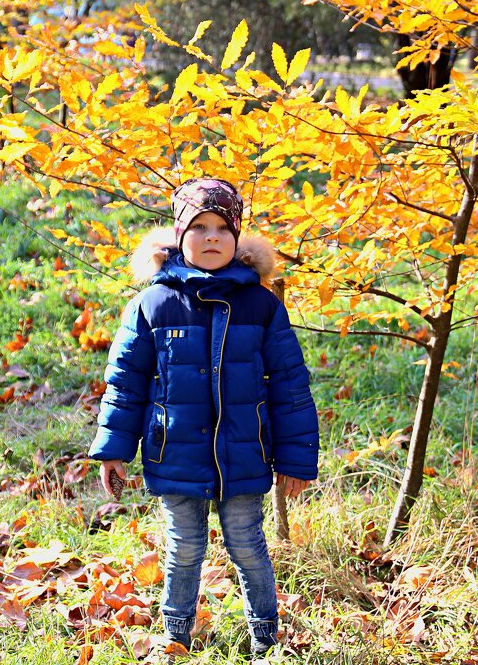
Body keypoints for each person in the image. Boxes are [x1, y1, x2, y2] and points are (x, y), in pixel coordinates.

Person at [89, 177, 319, 659]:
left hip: (244, 452)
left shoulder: (261, 305)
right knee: (184, 547)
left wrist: (295, 460)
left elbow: (290, 385)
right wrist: (113, 450)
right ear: (178, 236)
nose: (211, 237)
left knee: (248, 544)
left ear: (237, 237)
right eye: (198, 227)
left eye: (221, 228)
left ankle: (266, 635)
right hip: (175, 450)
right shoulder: (152, 303)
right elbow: (126, 381)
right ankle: (176, 635)